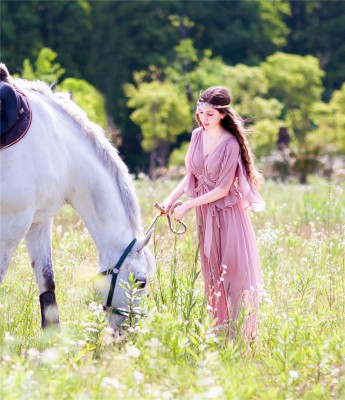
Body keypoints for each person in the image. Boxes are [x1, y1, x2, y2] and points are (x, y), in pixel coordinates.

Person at [159, 86, 265, 340]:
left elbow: (222, 189)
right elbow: (191, 177)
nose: (203, 119)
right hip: (205, 215)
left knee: (235, 274)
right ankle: (219, 333)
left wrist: (187, 205)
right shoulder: (197, 136)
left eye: (209, 114)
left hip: (228, 213)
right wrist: (169, 200)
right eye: (200, 113)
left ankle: (241, 335)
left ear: (221, 115)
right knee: (212, 274)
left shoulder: (230, 144)